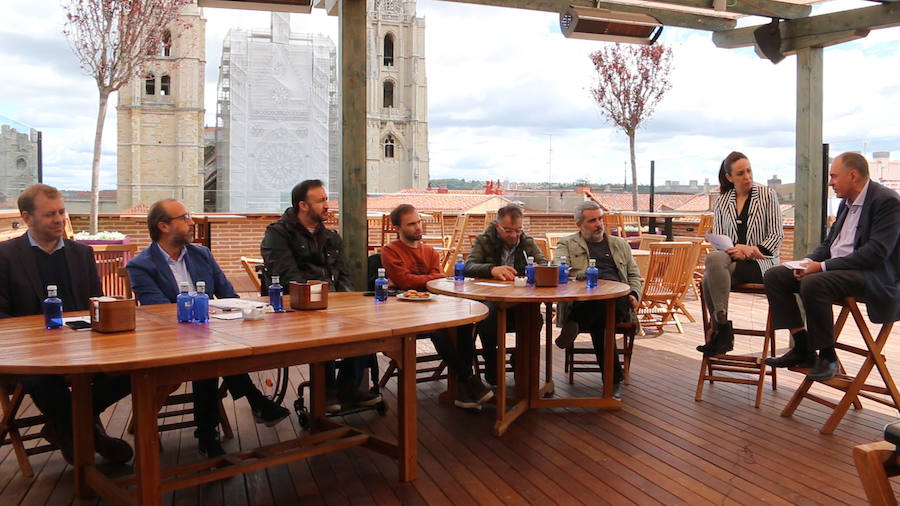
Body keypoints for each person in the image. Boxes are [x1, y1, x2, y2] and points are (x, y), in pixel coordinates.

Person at [127, 199, 290, 457]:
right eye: (185, 217)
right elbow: (159, 312)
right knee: (209, 353)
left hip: (212, 331)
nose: (192, 222)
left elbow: (228, 295)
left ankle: (210, 433)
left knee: (210, 348)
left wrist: (245, 311)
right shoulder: (141, 265)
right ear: (163, 226)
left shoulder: (201, 254)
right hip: (168, 340)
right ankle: (249, 406)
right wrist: (207, 315)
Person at [0, 184, 132, 465]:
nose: (59, 219)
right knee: (42, 380)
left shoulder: (81, 254)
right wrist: (38, 340)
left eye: (61, 211)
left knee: (133, 369)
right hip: (28, 355)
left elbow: (94, 303)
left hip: (83, 347)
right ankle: (95, 438)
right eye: (49, 214)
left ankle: (64, 428)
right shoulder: (5, 256)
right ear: (27, 217)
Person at [764, 152, 900, 381]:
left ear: (853, 176)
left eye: (834, 176)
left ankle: (828, 357)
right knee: (775, 276)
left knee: (814, 282)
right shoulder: (845, 204)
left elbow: (875, 254)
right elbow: (830, 245)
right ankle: (802, 347)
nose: (830, 182)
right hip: (839, 270)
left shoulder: (887, 202)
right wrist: (806, 262)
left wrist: (822, 267)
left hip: (872, 275)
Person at [260, 179, 380, 411]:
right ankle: (326, 392)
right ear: (303, 205)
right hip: (294, 308)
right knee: (323, 326)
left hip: (331, 304)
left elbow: (344, 276)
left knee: (369, 323)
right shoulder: (278, 234)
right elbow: (289, 279)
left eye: (326, 199)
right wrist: (327, 301)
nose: (327, 205)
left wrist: (349, 304)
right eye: (321, 200)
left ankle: (347, 387)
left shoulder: (331, 237)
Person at [380, 204, 493, 409]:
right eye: (412, 224)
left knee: (465, 322)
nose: (418, 227)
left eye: (419, 222)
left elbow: (438, 280)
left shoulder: (430, 251)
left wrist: (423, 280)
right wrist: (429, 279)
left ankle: (461, 389)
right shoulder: (390, 251)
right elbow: (405, 281)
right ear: (397, 228)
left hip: (433, 303)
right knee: (439, 329)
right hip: (405, 309)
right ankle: (469, 379)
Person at [553, 201, 643, 400]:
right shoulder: (567, 244)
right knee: (601, 321)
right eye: (592, 220)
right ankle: (613, 382)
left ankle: (575, 323)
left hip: (619, 300)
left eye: (600, 219)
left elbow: (635, 276)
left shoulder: (620, 244)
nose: (599, 224)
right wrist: (579, 277)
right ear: (579, 225)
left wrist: (635, 294)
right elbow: (558, 269)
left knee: (606, 303)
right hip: (584, 299)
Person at [698, 152, 783, 356]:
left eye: (749, 171)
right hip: (729, 261)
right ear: (730, 177)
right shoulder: (722, 202)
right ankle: (723, 323)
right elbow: (720, 239)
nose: (747, 177)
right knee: (714, 258)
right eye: (741, 173)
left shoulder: (767, 195)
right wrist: (732, 249)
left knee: (707, 279)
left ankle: (720, 330)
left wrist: (748, 251)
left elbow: (776, 236)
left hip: (761, 263)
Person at [465, 204, 547, 385]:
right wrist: (492, 269)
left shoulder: (526, 242)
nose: (513, 236)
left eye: (518, 231)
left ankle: (519, 359)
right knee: (489, 316)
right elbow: (468, 267)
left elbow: (543, 264)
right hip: (489, 299)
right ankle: (492, 362)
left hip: (518, 301)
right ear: (497, 226)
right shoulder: (484, 240)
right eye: (508, 230)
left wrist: (534, 271)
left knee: (536, 318)